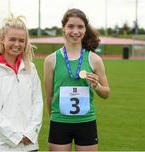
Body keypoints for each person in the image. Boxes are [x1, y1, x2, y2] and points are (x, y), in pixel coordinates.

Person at [44, 8, 110, 151]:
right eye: (71, 26)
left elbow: (106, 93)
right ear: (63, 28)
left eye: (80, 27)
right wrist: (55, 119)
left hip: (86, 122)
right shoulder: (51, 60)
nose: (76, 31)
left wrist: (97, 86)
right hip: (59, 122)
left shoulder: (94, 59)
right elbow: (49, 96)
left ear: (85, 29)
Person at [0, 15, 43, 151]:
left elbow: (38, 103)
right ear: (2, 39)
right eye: (12, 39)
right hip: (1, 146)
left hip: (29, 145)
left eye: (21, 40)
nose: (17, 44)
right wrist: (15, 136)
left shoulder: (30, 68)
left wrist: (30, 133)